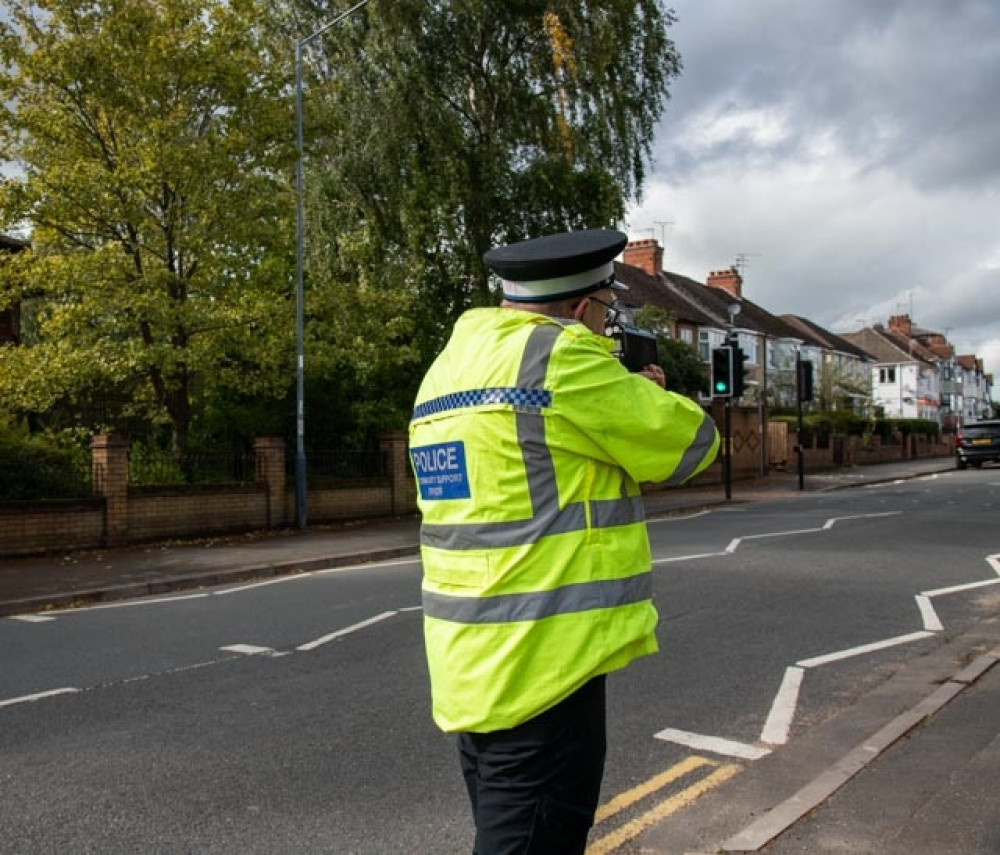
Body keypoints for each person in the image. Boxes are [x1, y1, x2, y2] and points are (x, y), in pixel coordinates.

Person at [408, 228, 719, 854]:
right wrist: (646, 391)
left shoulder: (448, 369)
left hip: (470, 658)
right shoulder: (562, 359)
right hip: (546, 660)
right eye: (610, 309)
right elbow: (692, 446)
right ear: (583, 307)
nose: (609, 325)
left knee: (508, 828)